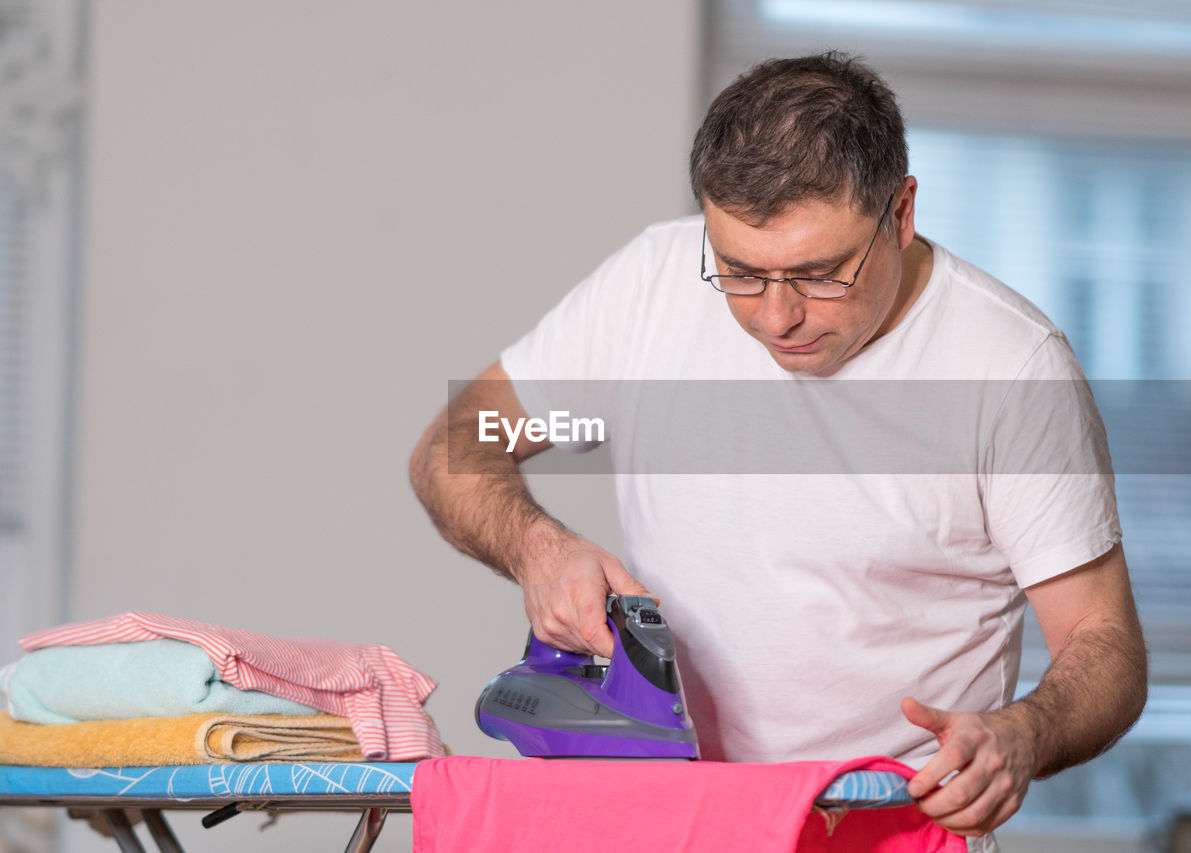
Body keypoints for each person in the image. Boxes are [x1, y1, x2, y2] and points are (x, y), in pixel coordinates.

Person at [409, 52, 1147, 846]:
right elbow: (459, 440)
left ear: (900, 213)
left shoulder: (1010, 370)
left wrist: (1024, 733)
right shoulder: (651, 285)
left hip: (882, 826)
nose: (775, 317)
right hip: (674, 822)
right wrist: (537, 546)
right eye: (738, 272)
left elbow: (1103, 643)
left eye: (821, 273)